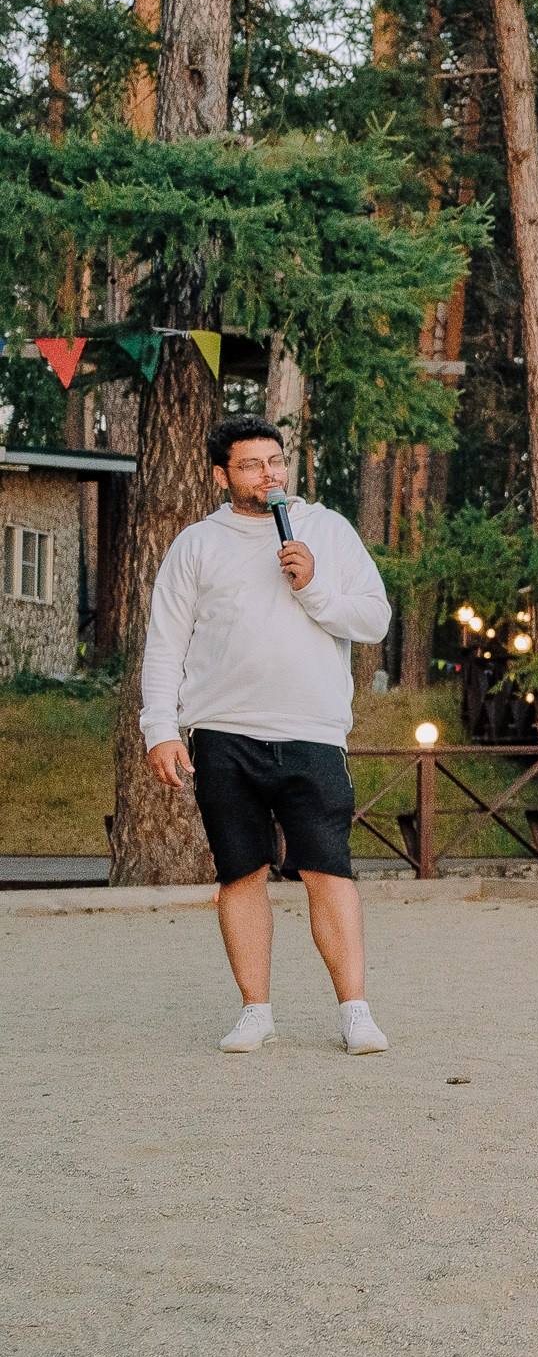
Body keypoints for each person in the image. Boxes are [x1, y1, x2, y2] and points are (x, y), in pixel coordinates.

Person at [140, 416, 394, 1054]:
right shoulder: (197, 544)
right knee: (240, 872)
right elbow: (165, 644)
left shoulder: (327, 531)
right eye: (253, 464)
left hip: (312, 731)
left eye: (276, 461)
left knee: (328, 869)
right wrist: (159, 729)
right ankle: (255, 1010)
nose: (270, 474)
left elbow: (374, 618)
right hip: (224, 732)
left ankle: (355, 1010)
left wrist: (314, 587)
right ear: (223, 474)